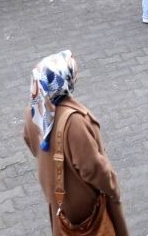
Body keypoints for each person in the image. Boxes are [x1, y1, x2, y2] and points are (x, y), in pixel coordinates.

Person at [23, 51, 131, 236]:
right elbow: (92, 168)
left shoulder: (33, 109)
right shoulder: (74, 121)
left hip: (58, 202)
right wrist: (112, 188)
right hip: (84, 211)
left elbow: (31, 143)